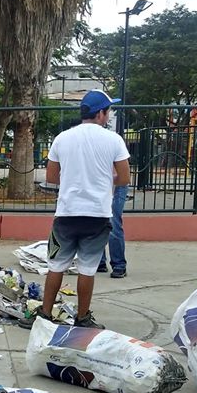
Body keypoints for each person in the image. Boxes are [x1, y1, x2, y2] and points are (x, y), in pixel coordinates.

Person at [37, 89, 131, 329]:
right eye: (108, 111)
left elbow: (51, 176)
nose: (109, 115)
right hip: (97, 214)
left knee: (56, 265)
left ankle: (45, 314)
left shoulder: (62, 138)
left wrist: (73, 180)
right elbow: (124, 177)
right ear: (100, 114)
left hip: (67, 213)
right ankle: (82, 318)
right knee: (87, 269)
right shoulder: (114, 140)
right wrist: (105, 180)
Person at [97, 182, 128, 278]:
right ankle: (99, 261)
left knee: (114, 223)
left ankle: (119, 264)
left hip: (116, 184)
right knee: (97, 222)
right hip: (98, 184)